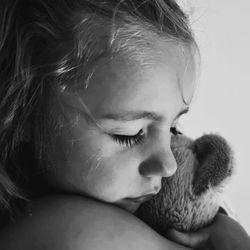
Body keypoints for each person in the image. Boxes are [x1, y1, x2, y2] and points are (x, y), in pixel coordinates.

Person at [0, 0, 249, 249]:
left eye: (173, 129)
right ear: (24, 112)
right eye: (130, 134)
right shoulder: (64, 233)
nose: (169, 166)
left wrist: (221, 219)